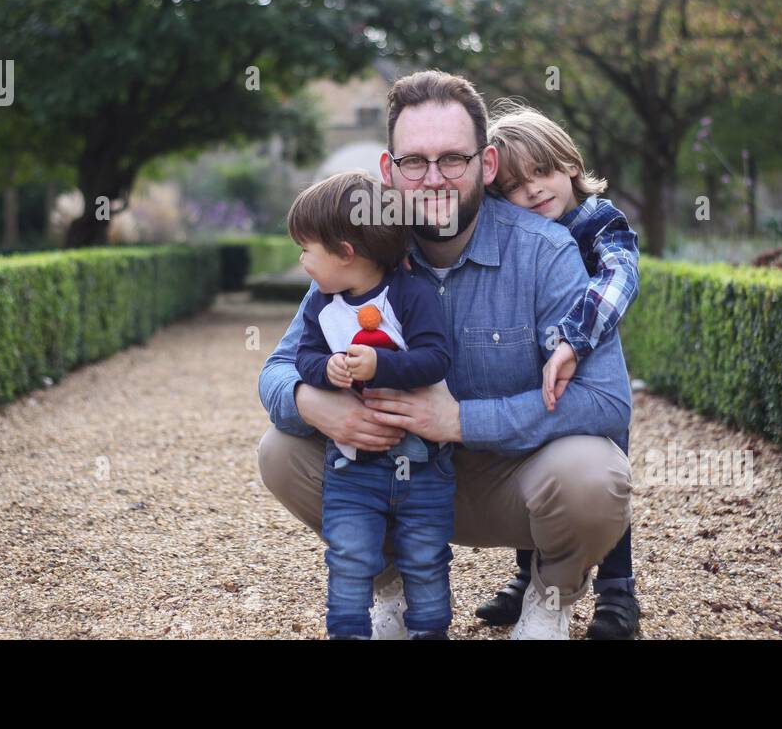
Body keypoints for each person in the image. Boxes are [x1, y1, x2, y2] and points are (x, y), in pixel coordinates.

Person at [258, 70, 633, 640]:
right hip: (391, 475)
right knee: (280, 450)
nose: (433, 179)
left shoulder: (546, 251)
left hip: (515, 481)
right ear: (389, 170)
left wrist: (460, 419)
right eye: (414, 162)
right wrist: (314, 404)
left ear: (485, 165)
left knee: (595, 474)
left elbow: (607, 402)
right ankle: (393, 586)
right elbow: (277, 371)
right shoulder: (360, 250)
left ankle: (551, 597)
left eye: (453, 159)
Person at [478, 98, 642, 639]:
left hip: (594, 377)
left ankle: (618, 596)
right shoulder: (516, 238)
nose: (533, 191)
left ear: (569, 163)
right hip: (535, 371)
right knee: (535, 470)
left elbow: (618, 278)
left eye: (542, 172)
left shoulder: (598, 221)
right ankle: (529, 579)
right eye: (513, 188)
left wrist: (573, 337)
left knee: (605, 475)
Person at [287, 170, 454, 639]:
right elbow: (304, 356)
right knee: (348, 556)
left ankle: (429, 629)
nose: (302, 262)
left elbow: (434, 359)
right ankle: (348, 630)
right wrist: (327, 372)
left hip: (422, 466)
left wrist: (379, 364)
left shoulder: (411, 294)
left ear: (345, 252)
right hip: (353, 468)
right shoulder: (323, 306)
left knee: (426, 557)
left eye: (307, 250)